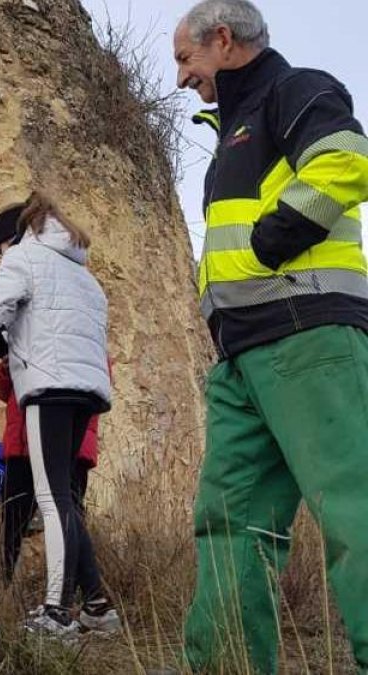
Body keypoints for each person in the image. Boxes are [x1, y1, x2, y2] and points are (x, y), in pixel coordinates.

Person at [173, 1, 368, 671]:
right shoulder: (229, 134)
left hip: (306, 335)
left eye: (185, 58)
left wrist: (274, 237)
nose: (180, 76)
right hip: (243, 360)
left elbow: (347, 160)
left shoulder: (295, 90)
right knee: (228, 523)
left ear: (222, 40)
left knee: (355, 512)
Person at [0, 193, 116, 639]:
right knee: (64, 497)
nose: (0, 258)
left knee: (49, 499)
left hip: (48, 387)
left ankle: (56, 612)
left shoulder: (25, 258)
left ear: (12, 238)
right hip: (86, 393)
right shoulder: (84, 275)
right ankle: (96, 606)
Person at [0, 358, 99, 589]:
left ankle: (72, 594)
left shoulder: (76, 343)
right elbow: (5, 392)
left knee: (68, 517)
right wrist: (6, 367)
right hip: (21, 445)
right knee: (12, 520)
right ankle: (4, 591)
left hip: (69, 444)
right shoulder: (27, 340)